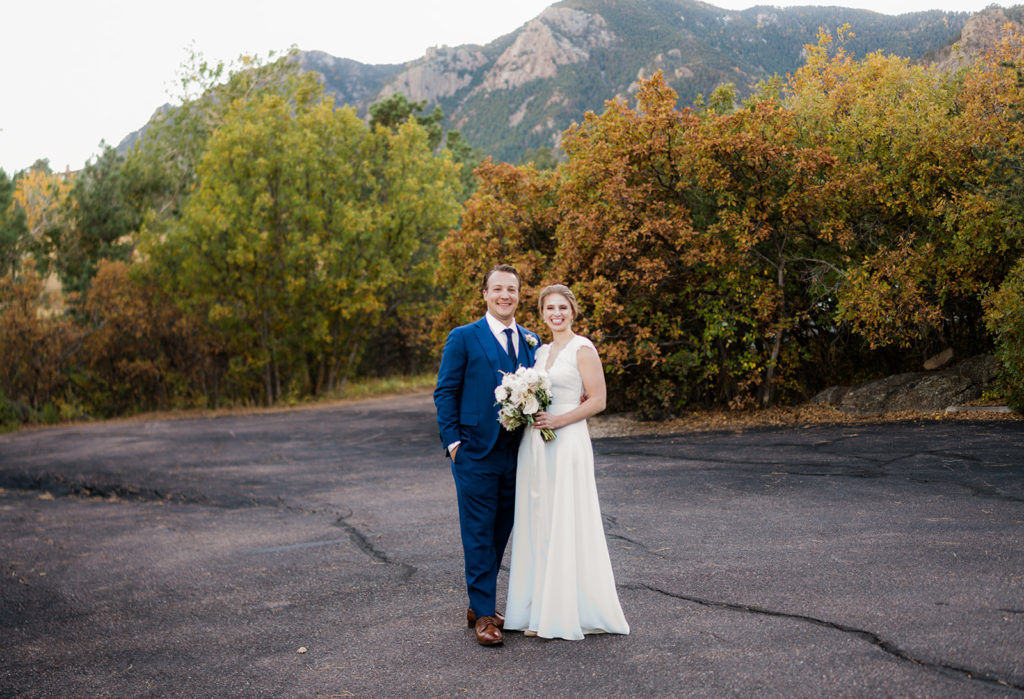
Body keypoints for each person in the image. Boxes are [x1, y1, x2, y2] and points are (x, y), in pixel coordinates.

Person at [504, 284, 630, 641]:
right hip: (537, 443)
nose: (556, 314)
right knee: (540, 520)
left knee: (566, 518)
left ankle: (566, 611)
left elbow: (599, 400)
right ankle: (538, 610)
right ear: (541, 314)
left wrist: (559, 420)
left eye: (562, 308)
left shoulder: (583, 348)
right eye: (549, 308)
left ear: (573, 311)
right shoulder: (540, 351)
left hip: (567, 438)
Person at [434, 264, 540, 646]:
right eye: (497, 289)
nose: (505, 296)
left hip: (520, 453)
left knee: (501, 531)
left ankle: (478, 602)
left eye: (511, 289)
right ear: (485, 294)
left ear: (518, 294)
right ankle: (484, 617)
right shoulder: (463, 337)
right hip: (475, 453)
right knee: (478, 532)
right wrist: (453, 444)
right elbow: (445, 392)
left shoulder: (531, 340)